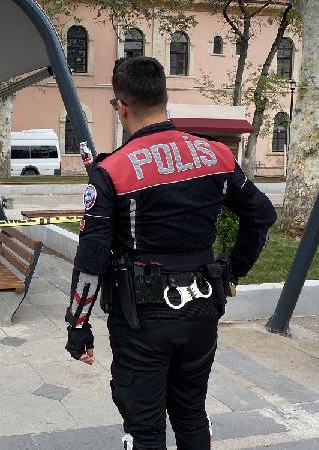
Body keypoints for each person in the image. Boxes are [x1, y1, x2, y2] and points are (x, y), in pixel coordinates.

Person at [64, 56, 276, 449]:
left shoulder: (112, 171)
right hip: (202, 309)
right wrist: (232, 270)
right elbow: (262, 216)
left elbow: (92, 258)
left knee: (145, 431)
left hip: (141, 319)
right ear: (165, 98)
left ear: (121, 106)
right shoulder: (216, 155)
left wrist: (78, 325)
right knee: (191, 413)